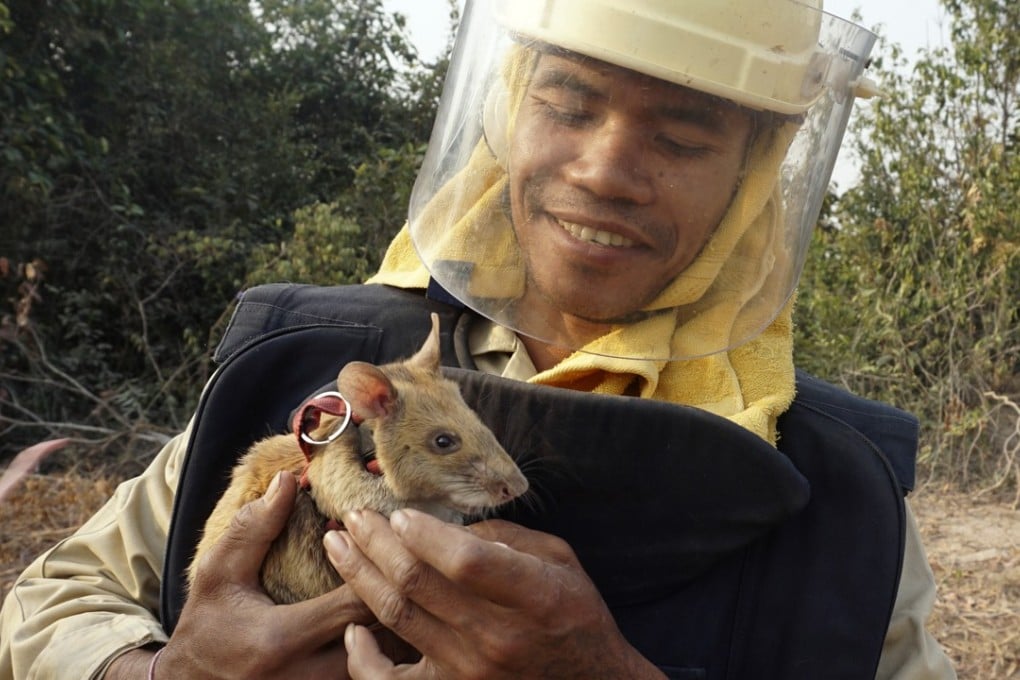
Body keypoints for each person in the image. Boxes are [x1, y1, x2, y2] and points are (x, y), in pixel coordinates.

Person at [1, 0, 957, 678]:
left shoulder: (840, 491)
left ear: (755, 172)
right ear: (506, 105)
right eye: (570, 103)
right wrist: (164, 674)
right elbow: (46, 605)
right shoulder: (305, 376)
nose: (605, 171)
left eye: (682, 136)